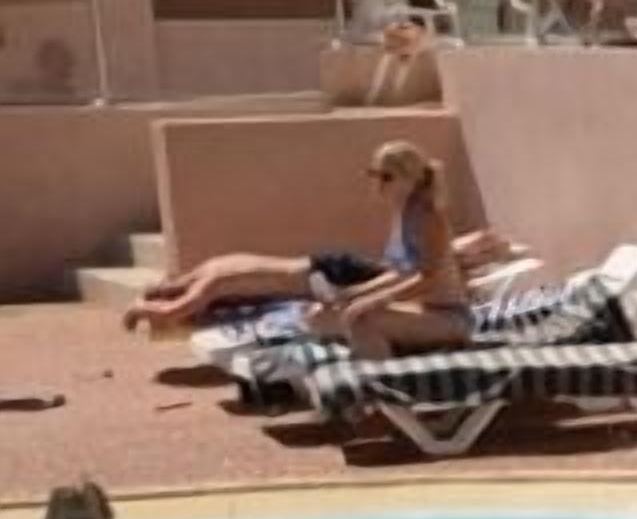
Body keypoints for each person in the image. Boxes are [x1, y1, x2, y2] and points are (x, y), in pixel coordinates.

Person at [123, 230, 520, 336]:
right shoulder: (209, 269)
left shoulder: (207, 285)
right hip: (322, 264)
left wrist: (141, 311)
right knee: (409, 268)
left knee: (416, 269)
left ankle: (488, 246)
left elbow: (177, 311)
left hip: (327, 275)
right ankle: (487, 248)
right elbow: (179, 303)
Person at [308, 142, 473, 360]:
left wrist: (379, 300)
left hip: (447, 316)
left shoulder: (429, 219)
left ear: (410, 179)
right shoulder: (403, 213)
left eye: (386, 177)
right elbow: (400, 272)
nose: (378, 184)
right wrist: (353, 293)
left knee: (362, 319)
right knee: (319, 316)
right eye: (374, 175)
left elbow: (429, 279)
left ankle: (378, 375)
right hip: (420, 309)